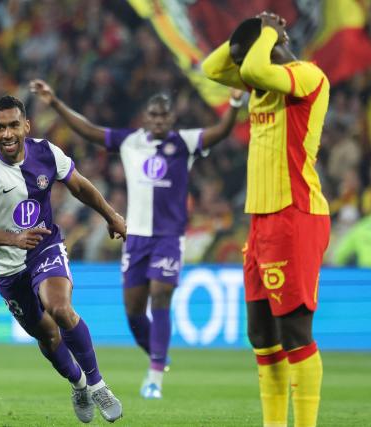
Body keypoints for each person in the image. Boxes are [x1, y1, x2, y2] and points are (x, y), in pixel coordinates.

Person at [30, 78, 243, 399]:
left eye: (164, 116)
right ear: (146, 117)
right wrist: (56, 103)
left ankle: (155, 373)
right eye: (153, 115)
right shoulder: (130, 141)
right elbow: (89, 130)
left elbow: (221, 131)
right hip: (136, 237)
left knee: (160, 294)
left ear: (172, 119)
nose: (158, 121)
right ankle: (157, 352)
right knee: (133, 313)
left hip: (169, 237)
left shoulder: (184, 142)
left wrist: (236, 105)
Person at [0, 95, 125, 424]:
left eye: (12, 125)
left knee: (60, 308)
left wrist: (111, 215)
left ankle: (97, 384)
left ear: (26, 126)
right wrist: (14, 239)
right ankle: (78, 384)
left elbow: (79, 185)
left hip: (43, 246)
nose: (7, 134)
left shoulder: (47, 152)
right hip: (7, 267)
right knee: (47, 336)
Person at [202, 12, 330, 427]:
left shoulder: (307, 76)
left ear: (273, 46)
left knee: (295, 334)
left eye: (246, 60)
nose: (239, 72)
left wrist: (269, 30)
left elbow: (255, 65)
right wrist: (251, 30)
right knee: (261, 336)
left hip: (294, 215)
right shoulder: (260, 83)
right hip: (261, 220)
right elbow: (211, 68)